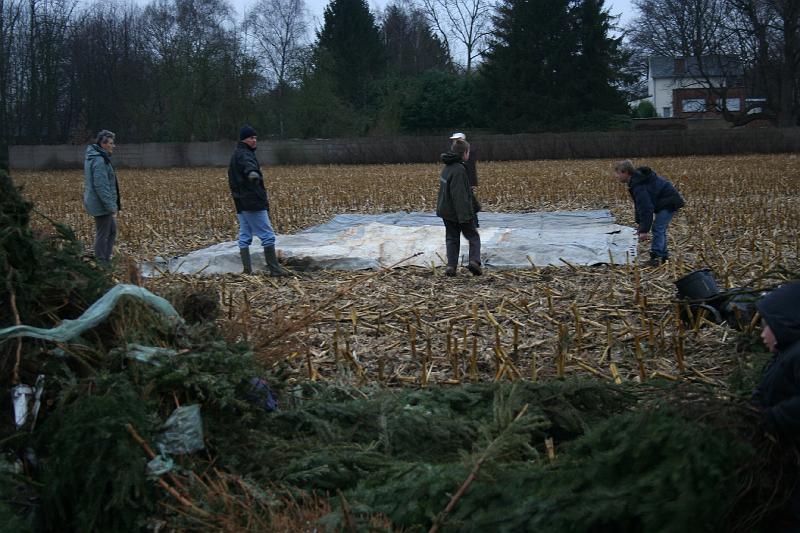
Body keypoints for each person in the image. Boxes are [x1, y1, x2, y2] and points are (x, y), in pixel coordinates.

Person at [752, 281, 800, 525]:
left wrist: (770, 420)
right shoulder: (784, 355)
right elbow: (767, 389)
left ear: (785, 322)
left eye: (767, 326)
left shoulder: (797, 356)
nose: (761, 334)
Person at [228, 125, 290, 277]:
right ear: (244, 139)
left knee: (245, 236)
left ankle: (247, 270)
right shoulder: (244, 154)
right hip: (252, 202)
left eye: (255, 138)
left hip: (241, 203)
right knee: (267, 236)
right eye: (251, 138)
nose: (254, 140)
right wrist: (252, 173)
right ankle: (275, 269)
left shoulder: (237, 154)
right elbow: (248, 166)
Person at [614, 160, 684, 267]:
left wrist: (644, 230)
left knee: (658, 228)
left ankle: (656, 257)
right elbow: (640, 206)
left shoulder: (639, 185)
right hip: (666, 202)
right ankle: (663, 256)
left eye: (618, 173)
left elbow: (646, 208)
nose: (616, 176)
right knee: (660, 229)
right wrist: (641, 226)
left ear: (626, 173)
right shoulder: (636, 181)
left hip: (670, 202)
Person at [436, 139, 481, 277]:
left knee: (451, 238)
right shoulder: (459, 170)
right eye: (468, 152)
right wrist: (465, 216)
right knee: (473, 236)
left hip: (446, 212)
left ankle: (451, 266)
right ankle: (474, 262)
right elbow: (460, 196)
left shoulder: (447, 167)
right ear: (465, 153)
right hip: (459, 213)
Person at [83, 130, 120, 263]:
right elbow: (102, 187)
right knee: (104, 234)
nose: (113, 146)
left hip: (99, 203)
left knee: (111, 231)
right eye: (111, 143)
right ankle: (102, 262)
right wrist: (111, 207)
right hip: (100, 204)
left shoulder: (98, 157)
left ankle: (105, 259)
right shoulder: (99, 161)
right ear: (103, 144)